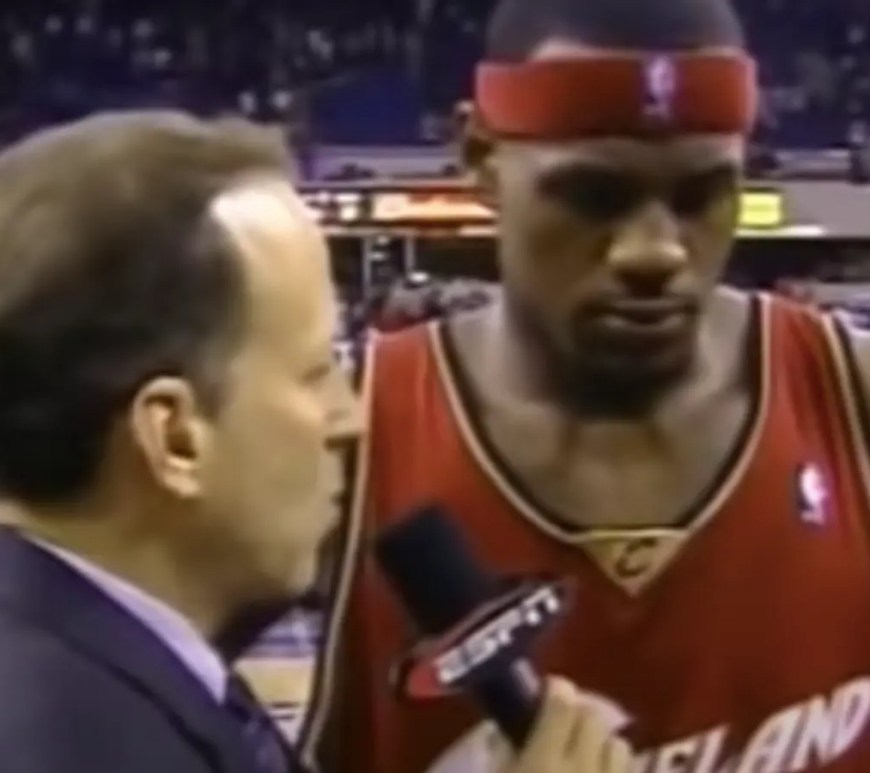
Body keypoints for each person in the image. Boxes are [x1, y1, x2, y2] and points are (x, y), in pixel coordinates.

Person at [301, 0, 870, 771]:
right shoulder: (343, 435)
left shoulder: (851, 392)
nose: (655, 251)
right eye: (594, 197)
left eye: (701, 195)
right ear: (480, 159)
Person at [0, 111, 631, 773]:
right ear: (176, 436)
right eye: (317, 371)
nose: (351, 418)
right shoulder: (73, 736)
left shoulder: (102, 670)